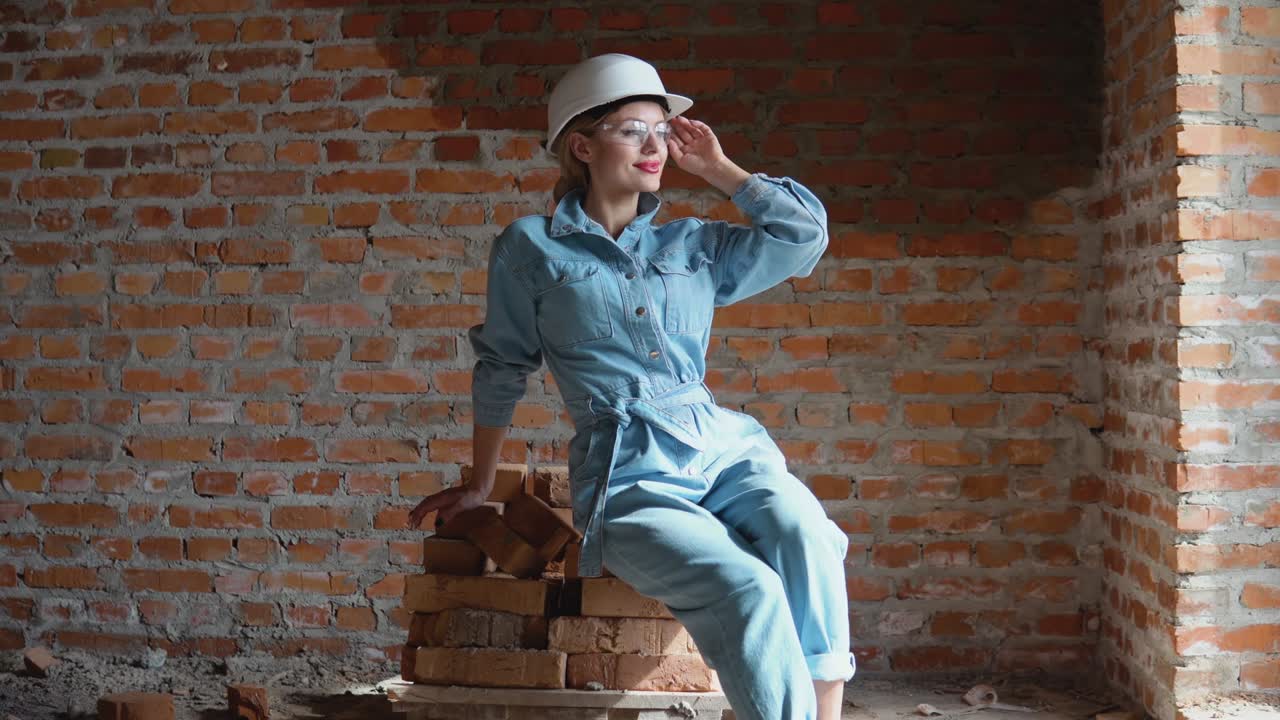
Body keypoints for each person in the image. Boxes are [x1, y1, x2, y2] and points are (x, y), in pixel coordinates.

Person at [407, 53, 854, 720]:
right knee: (747, 587)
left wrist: (721, 172)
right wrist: (480, 481)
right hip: (628, 472)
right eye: (631, 129)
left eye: (661, 129)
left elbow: (803, 237)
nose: (656, 145)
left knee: (807, 534)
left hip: (723, 450)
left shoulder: (692, 244)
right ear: (582, 146)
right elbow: (503, 365)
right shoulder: (531, 249)